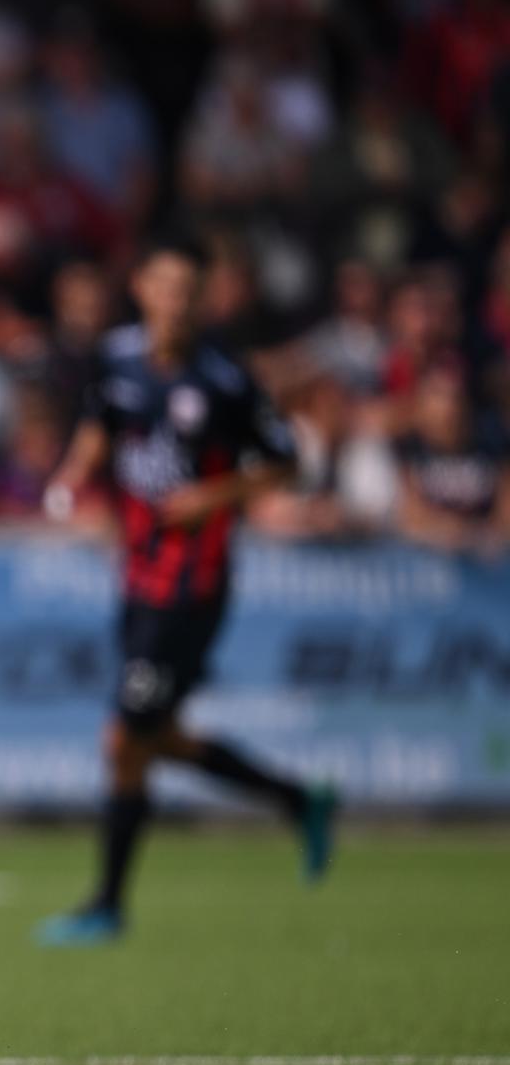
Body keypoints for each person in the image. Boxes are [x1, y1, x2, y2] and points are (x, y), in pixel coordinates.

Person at [37, 237, 336, 947]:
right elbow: (98, 430)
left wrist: (216, 494)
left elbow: (287, 462)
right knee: (156, 736)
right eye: (163, 286)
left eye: (187, 290)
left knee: (124, 740)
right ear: (141, 288)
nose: (175, 302)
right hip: (137, 579)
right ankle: (297, 800)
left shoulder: (226, 378)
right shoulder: (115, 359)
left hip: (194, 586)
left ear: (201, 299)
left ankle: (107, 906)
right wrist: (71, 478)